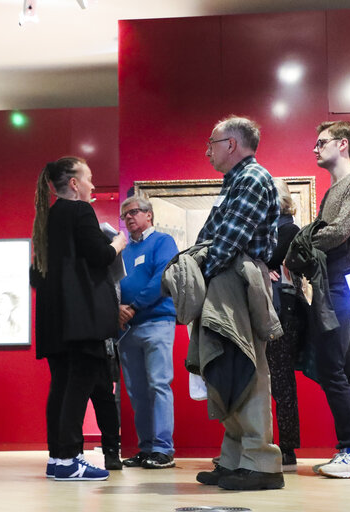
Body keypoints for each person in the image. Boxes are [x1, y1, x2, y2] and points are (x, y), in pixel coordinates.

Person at [193, 115, 283, 491]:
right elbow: (213, 237)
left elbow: (228, 241)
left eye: (212, 142)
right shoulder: (236, 181)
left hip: (237, 280)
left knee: (247, 367)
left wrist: (200, 271)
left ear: (231, 144)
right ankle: (235, 459)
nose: (208, 150)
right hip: (229, 279)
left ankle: (261, 462)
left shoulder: (251, 178)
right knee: (229, 366)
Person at [30, 156, 128, 481]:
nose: (92, 185)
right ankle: (70, 458)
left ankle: (58, 459)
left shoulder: (48, 218)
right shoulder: (80, 211)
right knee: (79, 384)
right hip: (81, 317)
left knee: (60, 385)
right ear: (74, 183)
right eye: (89, 178)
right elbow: (99, 256)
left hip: (54, 317)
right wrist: (118, 243)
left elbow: (35, 274)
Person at [308, 121, 350, 478]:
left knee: (333, 369)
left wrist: (300, 246)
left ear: (343, 144)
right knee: (344, 370)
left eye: (321, 142)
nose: (315, 149)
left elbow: (337, 232)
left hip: (342, 285)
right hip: (332, 284)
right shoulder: (333, 188)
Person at [117, 196, 179, 470]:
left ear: (148, 215)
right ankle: (145, 449)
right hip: (127, 330)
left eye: (133, 212)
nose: (129, 218)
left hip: (156, 322)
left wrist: (133, 305)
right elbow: (115, 282)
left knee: (158, 385)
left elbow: (162, 278)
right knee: (137, 392)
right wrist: (116, 308)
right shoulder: (124, 251)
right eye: (125, 215)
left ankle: (163, 450)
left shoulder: (163, 242)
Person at [265, 178, 301, 472]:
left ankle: (287, 448)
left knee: (281, 381)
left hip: (281, 312)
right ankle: (267, 445)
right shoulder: (266, 230)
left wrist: (261, 264)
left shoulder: (288, 229)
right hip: (267, 310)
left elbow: (274, 257)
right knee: (266, 382)